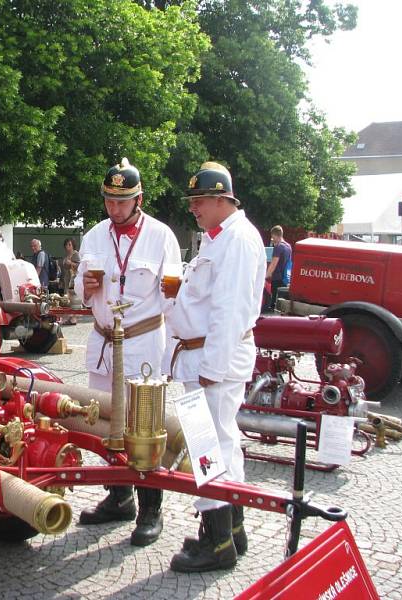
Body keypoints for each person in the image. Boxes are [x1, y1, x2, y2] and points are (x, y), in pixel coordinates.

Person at [163, 162, 265, 573]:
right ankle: (231, 531)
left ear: (224, 198)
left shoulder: (236, 241)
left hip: (211, 361)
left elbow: (231, 310)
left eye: (199, 200)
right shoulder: (220, 238)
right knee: (223, 443)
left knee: (209, 448)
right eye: (192, 201)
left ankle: (216, 543)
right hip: (203, 358)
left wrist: (212, 367)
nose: (194, 208)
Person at [74, 158, 181, 547]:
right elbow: (79, 294)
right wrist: (83, 286)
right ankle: (119, 497)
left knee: (144, 426)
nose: (114, 209)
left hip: (142, 344)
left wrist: (174, 351)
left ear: (139, 200)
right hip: (104, 342)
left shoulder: (161, 235)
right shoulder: (94, 236)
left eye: (122, 202)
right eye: (109, 201)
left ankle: (151, 508)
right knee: (102, 420)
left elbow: (172, 296)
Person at [265, 225, 292, 311]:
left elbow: (273, 264)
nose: (272, 239)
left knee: (273, 305)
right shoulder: (288, 246)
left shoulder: (278, 247)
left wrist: (266, 275)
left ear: (275, 235)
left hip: (277, 278)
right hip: (285, 278)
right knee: (282, 305)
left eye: (272, 237)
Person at [61, 238, 81, 324]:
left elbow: (80, 266)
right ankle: (69, 317)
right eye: (66, 245)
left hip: (74, 280)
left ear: (73, 245)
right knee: (67, 299)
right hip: (67, 279)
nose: (68, 246)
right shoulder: (66, 256)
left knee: (74, 299)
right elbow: (64, 269)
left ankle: (74, 318)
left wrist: (71, 263)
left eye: (69, 244)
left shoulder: (76, 254)